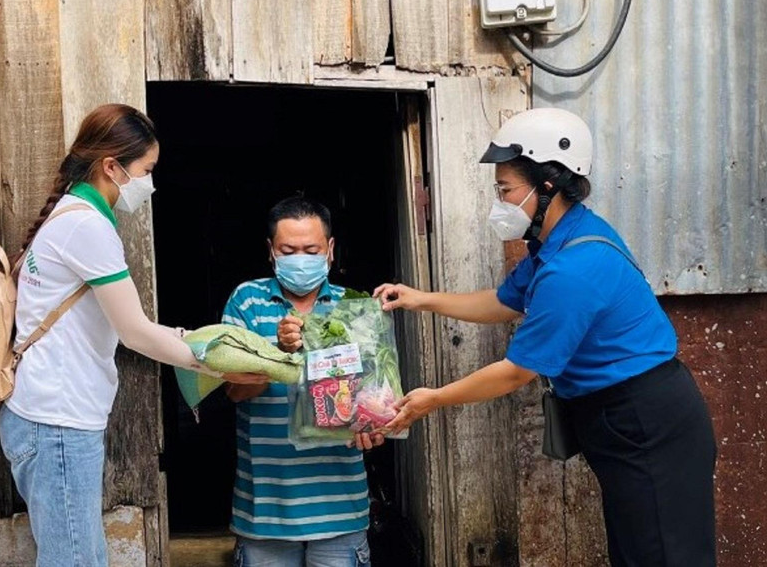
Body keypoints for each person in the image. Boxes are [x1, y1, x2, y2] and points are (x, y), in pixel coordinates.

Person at [377, 108, 717, 567]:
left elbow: (516, 372)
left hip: (645, 419)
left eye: (505, 190)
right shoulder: (556, 242)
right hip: (620, 415)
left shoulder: (573, 268)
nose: (499, 202)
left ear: (548, 186)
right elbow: (502, 302)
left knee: (664, 555)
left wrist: (431, 401)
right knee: (639, 549)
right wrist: (421, 300)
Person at [0, 103, 266, 567]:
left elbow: (121, 326)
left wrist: (188, 338)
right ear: (112, 167)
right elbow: (135, 332)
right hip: (59, 421)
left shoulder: (71, 213)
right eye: (146, 170)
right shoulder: (87, 226)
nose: (150, 184)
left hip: (46, 416)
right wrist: (215, 361)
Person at [222, 196, 381, 567]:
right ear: (271, 251)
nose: (300, 259)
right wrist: (277, 351)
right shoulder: (246, 302)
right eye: (288, 250)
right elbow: (234, 391)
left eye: (310, 250)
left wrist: (373, 425)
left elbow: (375, 402)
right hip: (265, 516)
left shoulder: (353, 308)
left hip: (341, 509)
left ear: (330, 250)